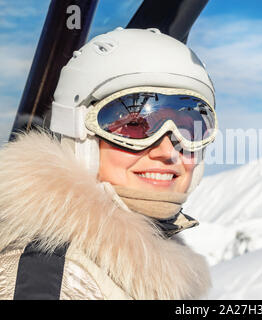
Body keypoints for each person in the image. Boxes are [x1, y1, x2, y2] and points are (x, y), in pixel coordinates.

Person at [0, 27, 218, 300]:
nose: (168, 152)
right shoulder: (48, 280)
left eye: (190, 129)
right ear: (80, 136)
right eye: (136, 126)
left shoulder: (141, 263)